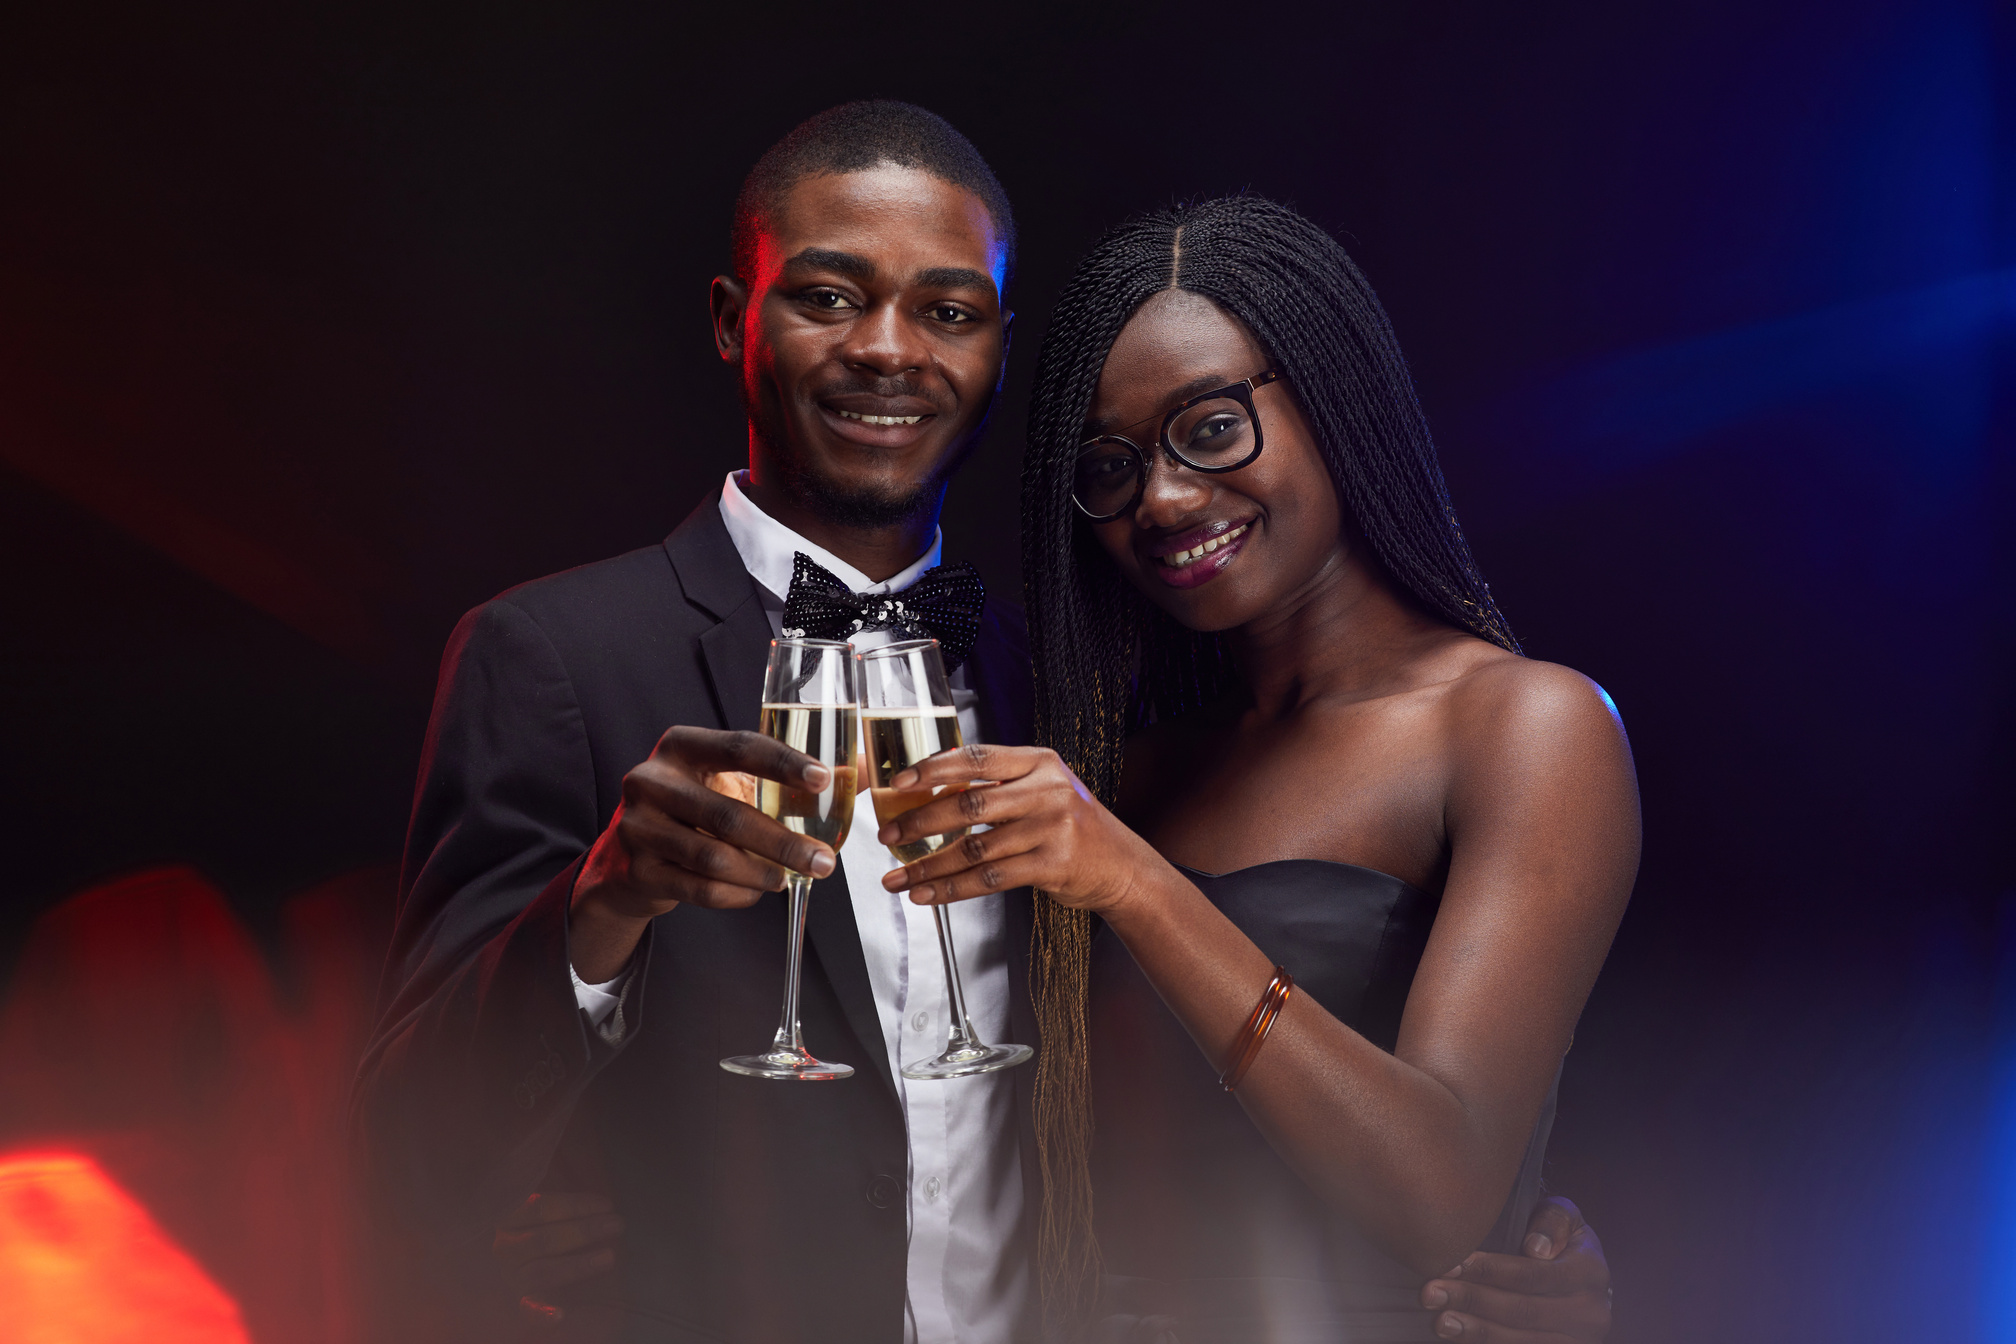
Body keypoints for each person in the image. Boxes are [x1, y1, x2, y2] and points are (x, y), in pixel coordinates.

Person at [354, 101, 1615, 1343]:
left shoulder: (1060, 702)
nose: (890, 350)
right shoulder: (556, 656)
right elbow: (422, 1150)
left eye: (946, 312)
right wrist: (603, 907)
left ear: (996, 356)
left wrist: (1535, 1237)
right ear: (738, 324)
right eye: (829, 296)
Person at [874, 196, 1638, 1343]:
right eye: (1111, 467)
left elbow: (1437, 1193)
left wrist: (1135, 881)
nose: (1166, 499)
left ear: (1332, 397)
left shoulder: (1523, 727)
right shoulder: (1114, 763)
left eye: (1213, 427)